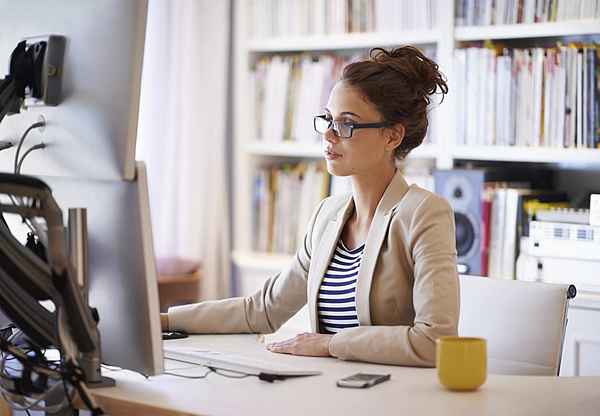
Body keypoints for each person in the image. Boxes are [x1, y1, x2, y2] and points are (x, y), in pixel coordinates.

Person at [161, 46, 459, 367]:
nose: (329, 135)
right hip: (325, 389)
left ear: (393, 135)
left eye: (347, 124)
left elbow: (434, 342)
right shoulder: (328, 215)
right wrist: (162, 321)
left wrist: (330, 344)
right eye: (327, 119)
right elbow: (262, 310)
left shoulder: (423, 213)